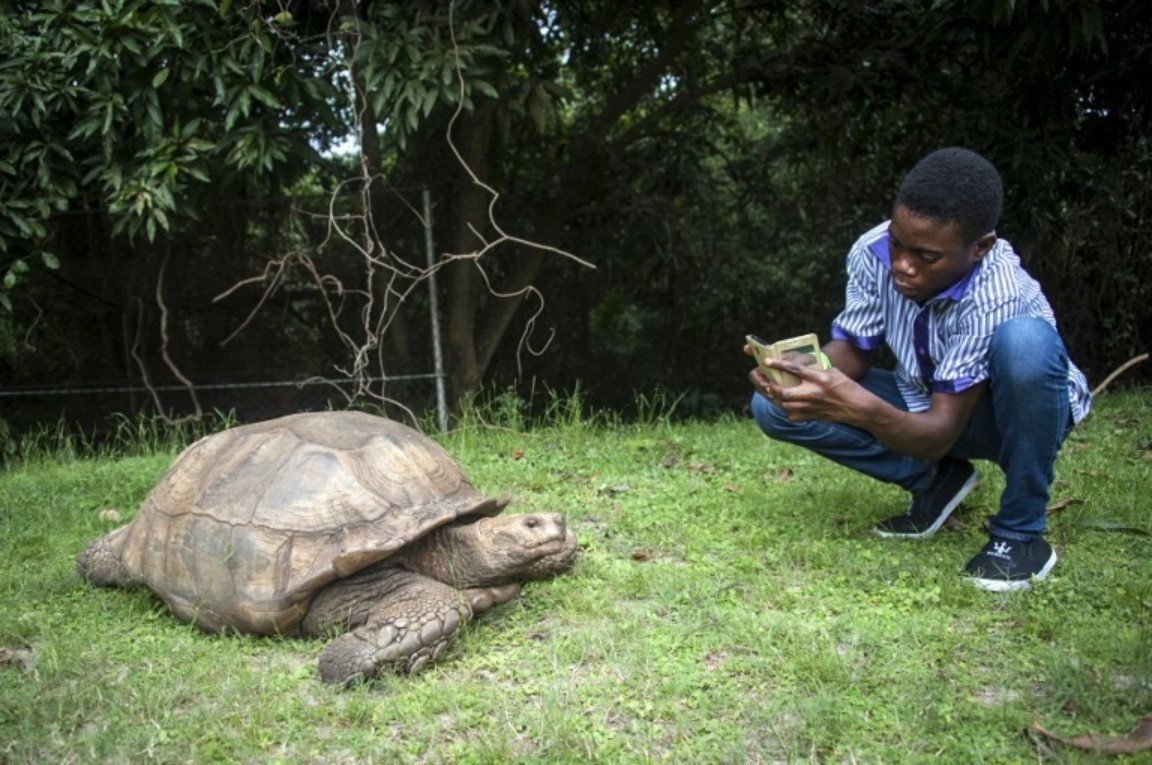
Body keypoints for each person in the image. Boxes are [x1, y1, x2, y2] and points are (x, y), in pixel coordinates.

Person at [748, 147, 1092, 592]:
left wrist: (859, 407)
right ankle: (938, 482)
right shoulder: (873, 253)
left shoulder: (998, 291)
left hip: (1018, 419)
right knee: (774, 405)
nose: (902, 267)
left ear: (980, 247)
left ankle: (1020, 533)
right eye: (897, 243)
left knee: (1024, 342)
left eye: (926, 257)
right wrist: (802, 370)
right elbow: (854, 346)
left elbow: (938, 434)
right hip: (930, 402)